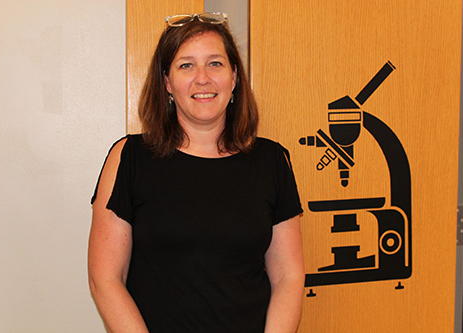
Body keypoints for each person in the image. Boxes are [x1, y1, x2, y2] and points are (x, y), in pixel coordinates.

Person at [88, 12, 305, 333]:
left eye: (215, 63)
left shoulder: (272, 160)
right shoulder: (130, 158)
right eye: (186, 65)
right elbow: (105, 279)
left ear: (234, 77)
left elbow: (288, 276)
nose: (202, 78)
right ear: (166, 82)